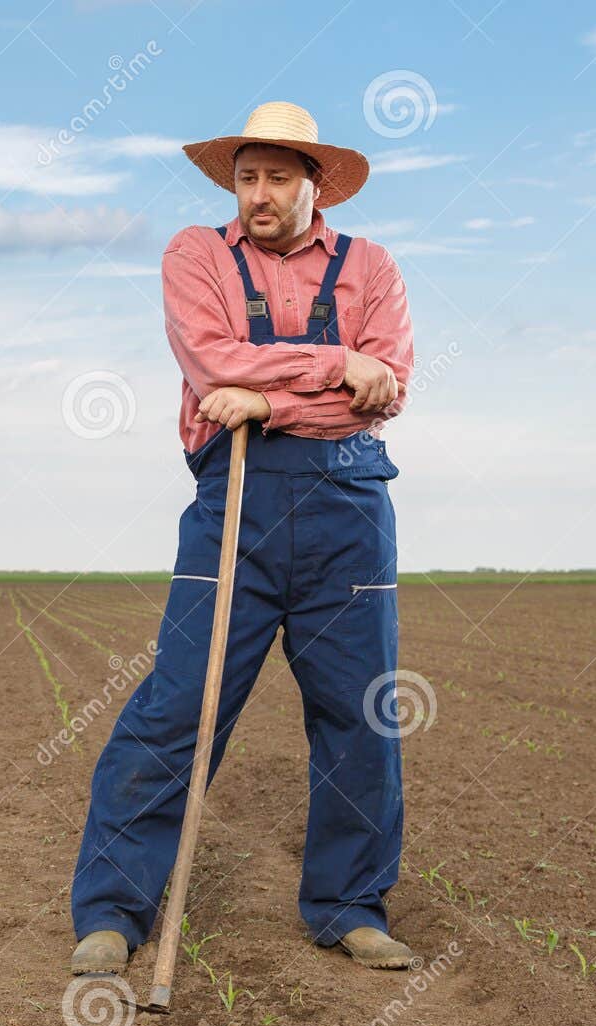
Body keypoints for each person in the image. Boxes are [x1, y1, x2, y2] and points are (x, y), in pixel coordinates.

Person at [70, 101, 418, 974]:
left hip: (350, 509)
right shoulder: (197, 254)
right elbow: (213, 362)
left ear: (315, 184)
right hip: (237, 502)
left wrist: (267, 399)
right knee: (178, 706)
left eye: (277, 177)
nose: (258, 194)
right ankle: (111, 910)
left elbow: (390, 389)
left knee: (360, 713)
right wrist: (335, 365)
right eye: (247, 177)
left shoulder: (371, 266)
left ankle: (350, 904)